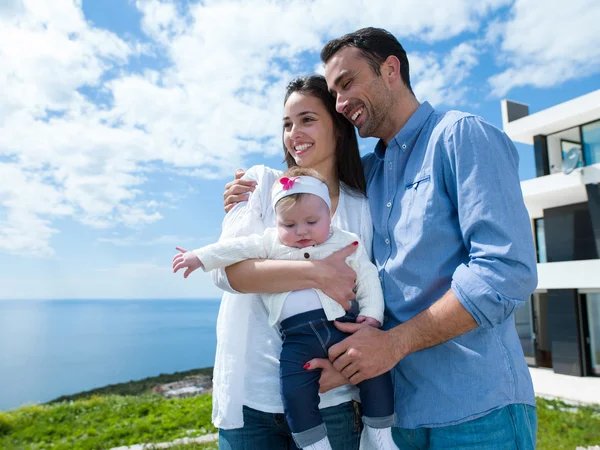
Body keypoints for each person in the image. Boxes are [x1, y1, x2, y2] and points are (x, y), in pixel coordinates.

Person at [226, 28, 539, 449]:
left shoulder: (461, 135)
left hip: (478, 408)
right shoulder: (369, 174)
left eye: (348, 83)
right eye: (334, 92)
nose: (340, 103)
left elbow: (505, 271)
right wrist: (252, 193)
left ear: (391, 69)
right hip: (399, 416)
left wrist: (394, 343)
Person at [190, 75, 379, 450]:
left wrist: (344, 372)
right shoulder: (261, 183)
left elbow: (368, 299)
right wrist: (317, 273)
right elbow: (228, 275)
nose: (295, 133)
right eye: (287, 124)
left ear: (338, 128)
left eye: (307, 119)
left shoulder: (362, 206)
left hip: (331, 402)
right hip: (251, 402)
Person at [173, 167, 397, 450]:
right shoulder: (270, 242)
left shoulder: (345, 240)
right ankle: (314, 444)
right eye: (289, 225)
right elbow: (234, 249)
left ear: (329, 215)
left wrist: (372, 315)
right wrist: (198, 257)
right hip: (296, 339)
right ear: (277, 223)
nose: (301, 230)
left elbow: (367, 277)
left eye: (312, 221)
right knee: (294, 391)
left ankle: (381, 435)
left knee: (373, 371)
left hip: (340, 329)